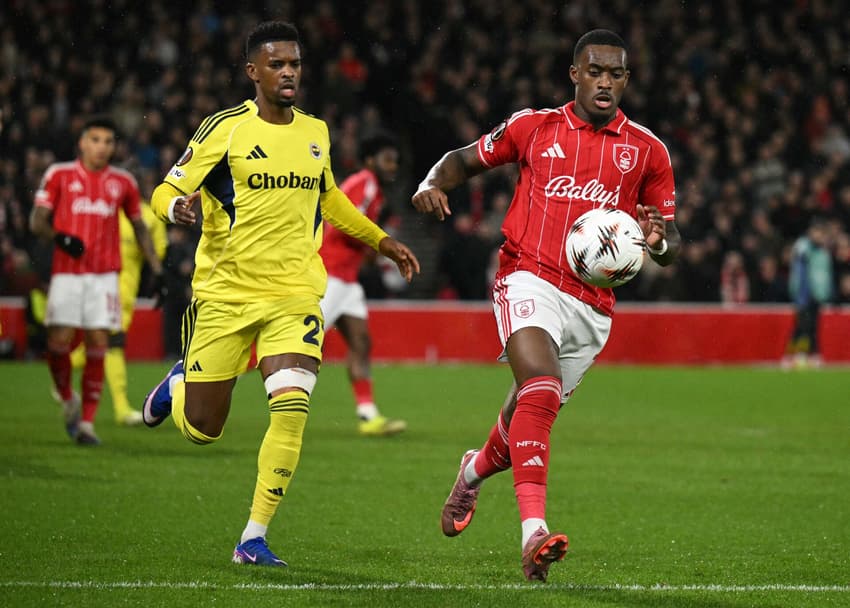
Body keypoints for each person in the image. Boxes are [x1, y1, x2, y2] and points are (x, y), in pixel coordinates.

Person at [141, 21, 419, 567]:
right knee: (203, 431)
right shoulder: (225, 129)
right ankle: (178, 384)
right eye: (277, 64)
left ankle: (253, 536)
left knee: (291, 406)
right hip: (225, 295)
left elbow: (329, 197)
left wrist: (381, 240)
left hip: (295, 292)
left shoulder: (316, 131)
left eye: (294, 63)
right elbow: (167, 188)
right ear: (253, 72)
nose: (288, 72)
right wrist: (177, 208)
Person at [412, 29, 681, 582]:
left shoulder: (649, 151)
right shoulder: (534, 127)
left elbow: (671, 243)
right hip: (527, 277)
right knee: (540, 388)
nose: (605, 82)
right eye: (595, 71)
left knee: (523, 420)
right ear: (575, 74)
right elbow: (462, 159)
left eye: (616, 74)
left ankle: (472, 472)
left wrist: (657, 242)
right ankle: (534, 532)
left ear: (627, 80)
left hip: (593, 306)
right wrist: (432, 181)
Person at [30, 116, 165, 445]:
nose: (102, 147)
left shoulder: (123, 182)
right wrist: (60, 239)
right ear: (82, 142)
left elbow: (139, 227)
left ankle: (87, 424)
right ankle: (67, 396)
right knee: (57, 344)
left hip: (106, 277)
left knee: (99, 345)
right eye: (95, 140)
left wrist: (158, 272)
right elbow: (37, 221)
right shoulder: (59, 175)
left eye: (108, 141)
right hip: (67, 273)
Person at [318, 132, 407, 436]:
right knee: (295, 345)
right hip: (328, 274)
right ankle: (199, 378)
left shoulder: (374, 189)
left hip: (347, 279)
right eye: (387, 160)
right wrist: (378, 248)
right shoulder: (365, 182)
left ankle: (368, 415)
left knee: (360, 342)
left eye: (395, 161)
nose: (393, 166)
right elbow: (346, 224)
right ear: (371, 161)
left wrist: (372, 253)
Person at [68, 170, 168, 426]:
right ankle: (122, 408)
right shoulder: (110, 211)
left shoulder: (149, 218)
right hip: (102, 284)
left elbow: (157, 253)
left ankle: (63, 371)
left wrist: (157, 276)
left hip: (126, 290)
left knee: (100, 341)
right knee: (114, 341)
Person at [783, 217, 833, 368]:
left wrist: (825, 292)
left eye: (821, 233)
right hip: (803, 294)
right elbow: (798, 272)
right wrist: (796, 292)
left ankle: (811, 355)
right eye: (816, 232)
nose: (819, 235)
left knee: (813, 326)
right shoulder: (803, 247)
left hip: (817, 294)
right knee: (801, 326)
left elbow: (825, 275)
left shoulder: (823, 253)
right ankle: (792, 356)